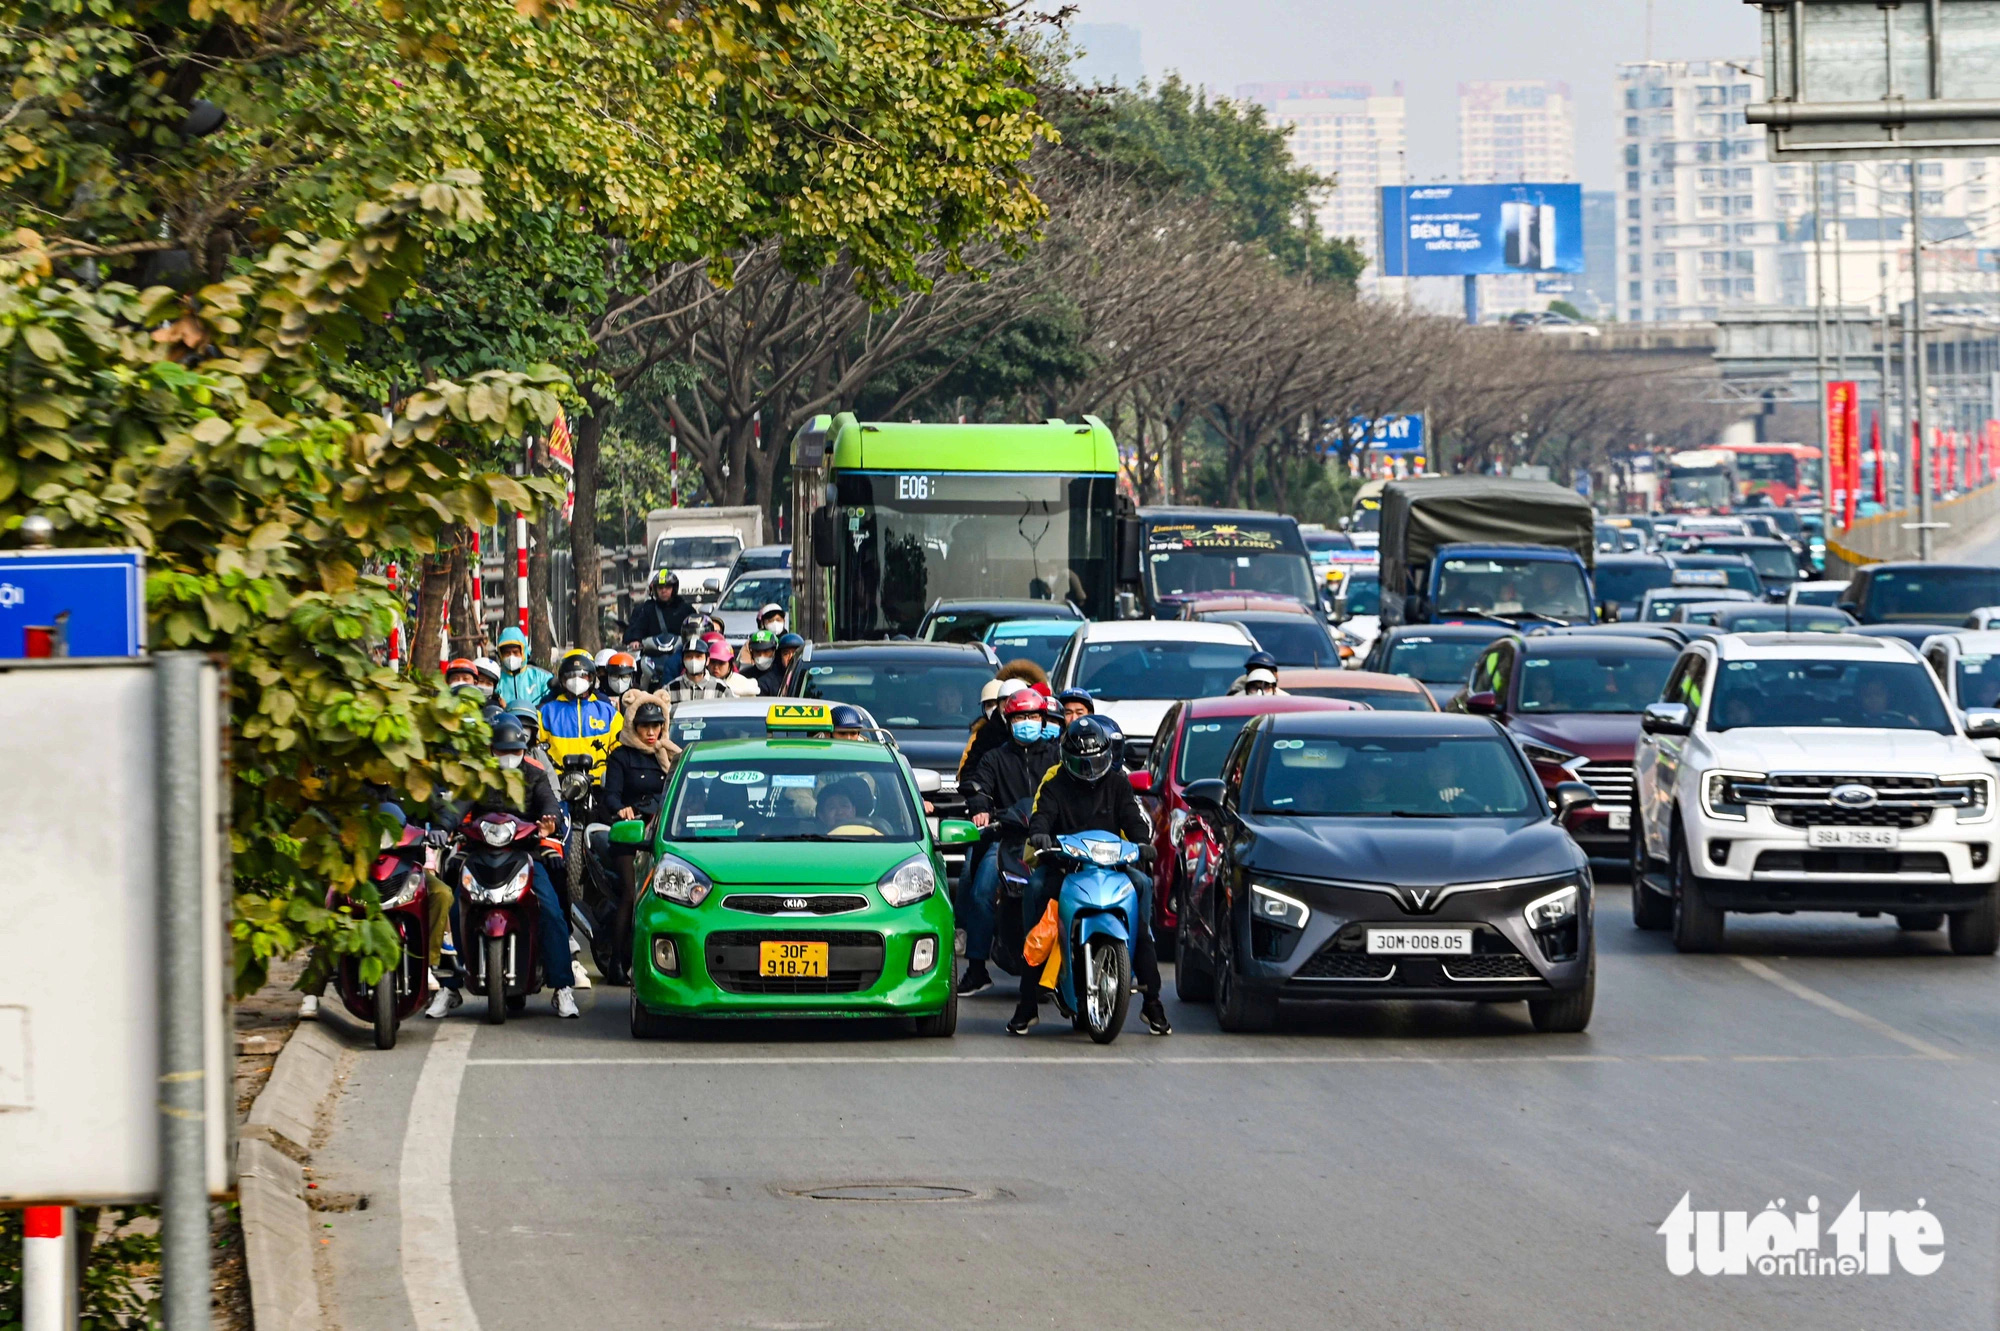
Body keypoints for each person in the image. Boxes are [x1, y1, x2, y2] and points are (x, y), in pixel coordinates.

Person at [1008, 716, 1169, 1037]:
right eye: (1081, 763)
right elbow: (1042, 817)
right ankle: (1027, 1003)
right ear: (1066, 759)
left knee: (1143, 885)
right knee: (1037, 887)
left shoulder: (1118, 784)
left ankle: (1152, 1002)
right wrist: (1040, 836)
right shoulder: (1055, 784)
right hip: (1065, 865)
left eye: (1095, 761)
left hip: (1111, 867)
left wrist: (1142, 844)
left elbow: (1133, 818)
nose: (1089, 769)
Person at [447, 715, 580, 1018]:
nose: (509, 757)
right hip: (480, 854)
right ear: (491, 749)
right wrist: (444, 825)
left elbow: (549, 804)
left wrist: (550, 821)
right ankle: (451, 985)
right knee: (457, 909)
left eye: (515, 751)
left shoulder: (534, 773)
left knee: (550, 911)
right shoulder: (478, 775)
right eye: (502, 750)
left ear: (524, 749)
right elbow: (458, 807)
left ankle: (562, 988)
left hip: (526, 854)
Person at [957, 690, 1061, 996]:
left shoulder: (1058, 756)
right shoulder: (994, 758)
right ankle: (976, 968)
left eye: (1032, 716)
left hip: (1049, 840)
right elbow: (979, 787)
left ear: (1043, 719)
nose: (1026, 723)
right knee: (982, 890)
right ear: (1008, 720)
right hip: (1006, 838)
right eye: (1019, 717)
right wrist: (980, 808)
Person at [601, 697, 680, 967]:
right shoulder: (620, 756)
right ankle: (617, 963)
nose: (650, 733)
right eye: (645, 726)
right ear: (634, 727)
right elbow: (610, 796)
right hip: (631, 833)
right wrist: (622, 810)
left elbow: (687, 799)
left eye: (656, 726)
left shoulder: (671, 756)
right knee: (631, 893)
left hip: (662, 836)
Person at [539, 649, 622, 779]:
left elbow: (621, 748)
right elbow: (535, 748)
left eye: (583, 675)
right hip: (558, 782)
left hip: (597, 783)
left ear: (591, 678)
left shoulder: (608, 712)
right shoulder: (546, 712)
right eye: (571, 676)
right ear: (562, 679)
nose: (577, 680)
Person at [624, 569, 698, 649]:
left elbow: (696, 630)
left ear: (674, 588)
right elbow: (639, 628)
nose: (664, 591)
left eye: (668, 587)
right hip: (654, 655)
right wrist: (635, 640)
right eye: (660, 588)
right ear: (655, 590)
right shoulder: (648, 609)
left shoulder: (686, 609)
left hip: (680, 653)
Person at [494, 627, 552, 709]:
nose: (511, 656)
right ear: (500, 654)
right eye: (507, 653)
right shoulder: (496, 678)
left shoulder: (542, 677)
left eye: (515, 652)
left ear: (523, 652)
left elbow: (551, 704)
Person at [741, 630, 785, 696]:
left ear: (774, 652)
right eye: (757, 652)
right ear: (752, 653)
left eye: (766, 652)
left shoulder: (783, 676)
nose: (761, 656)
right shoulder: (744, 676)